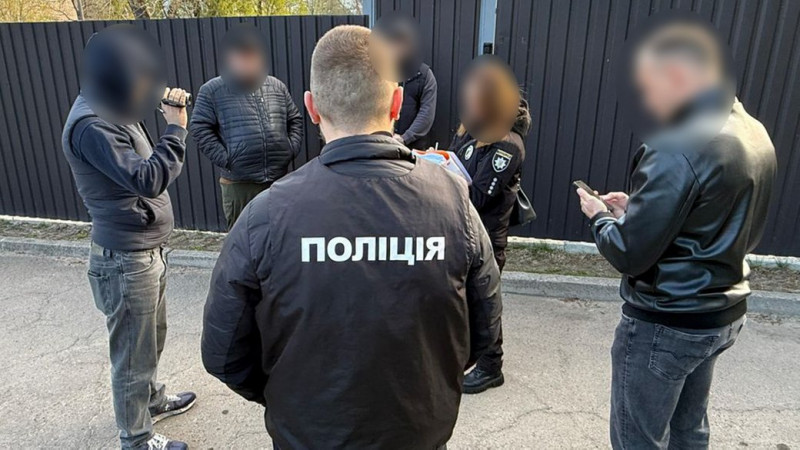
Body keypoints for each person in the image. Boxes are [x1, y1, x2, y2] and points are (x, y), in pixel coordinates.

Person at [201, 25, 502, 449]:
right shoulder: (454, 203)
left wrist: (287, 397)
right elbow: (484, 330)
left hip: (307, 436)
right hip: (418, 435)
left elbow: (224, 352)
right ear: (397, 102)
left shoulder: (266, 215)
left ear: (311, 107)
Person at [576, 22, 776, 449]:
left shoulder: (677, 144)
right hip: (720, 312)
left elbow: (629, 253)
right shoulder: (751, 130)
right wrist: (637, 208)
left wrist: (600, 218)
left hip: (668, 320)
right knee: (689, 429)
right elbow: (715, 213)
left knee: (639, 439)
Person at [61, 26, 196, 450]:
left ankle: (151, 401)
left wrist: (160, 99)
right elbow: (148, 178)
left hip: (146, 251)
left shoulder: (115, 107)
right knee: (132, 356)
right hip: (124, 259)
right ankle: (136, 439)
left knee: (151, 339)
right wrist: (176, 129)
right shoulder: (90, 125)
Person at [452, 59, 531, 394]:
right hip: (462, 230)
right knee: (463, 301)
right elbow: (454, 162)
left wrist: (443, 183)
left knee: (485, 303)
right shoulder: (470, 131)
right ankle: (466, 356)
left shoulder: (508, 143)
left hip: (487, 236)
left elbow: (481, 195)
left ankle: (491, 366)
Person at [190, 25, 304, 229]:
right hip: (240, 185)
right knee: (243, 237)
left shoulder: (276, 86)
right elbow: (199, 128)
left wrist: (290, 149)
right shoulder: (212, 90)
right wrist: (227, 159)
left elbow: (294, 119)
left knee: (280, 233)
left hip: (278, 179)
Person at [376, 15, 438, 149]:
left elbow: (426, 114)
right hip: (382, 145)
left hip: (413, 148)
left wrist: (405, 138)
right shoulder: (378, 71)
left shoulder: (425, 75)